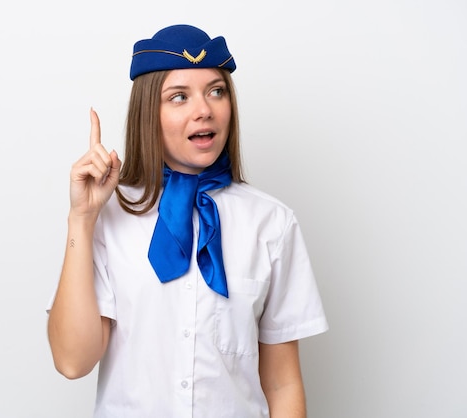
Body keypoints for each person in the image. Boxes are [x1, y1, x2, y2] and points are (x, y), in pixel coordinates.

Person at [47, 24, 328, 418]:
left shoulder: (272, 223)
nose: (204, 110)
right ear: (149, 113)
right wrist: (81, 220)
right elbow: (73, 361)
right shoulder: (108, 218)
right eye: (179, 97)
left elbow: (282, 382)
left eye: (217, 91)